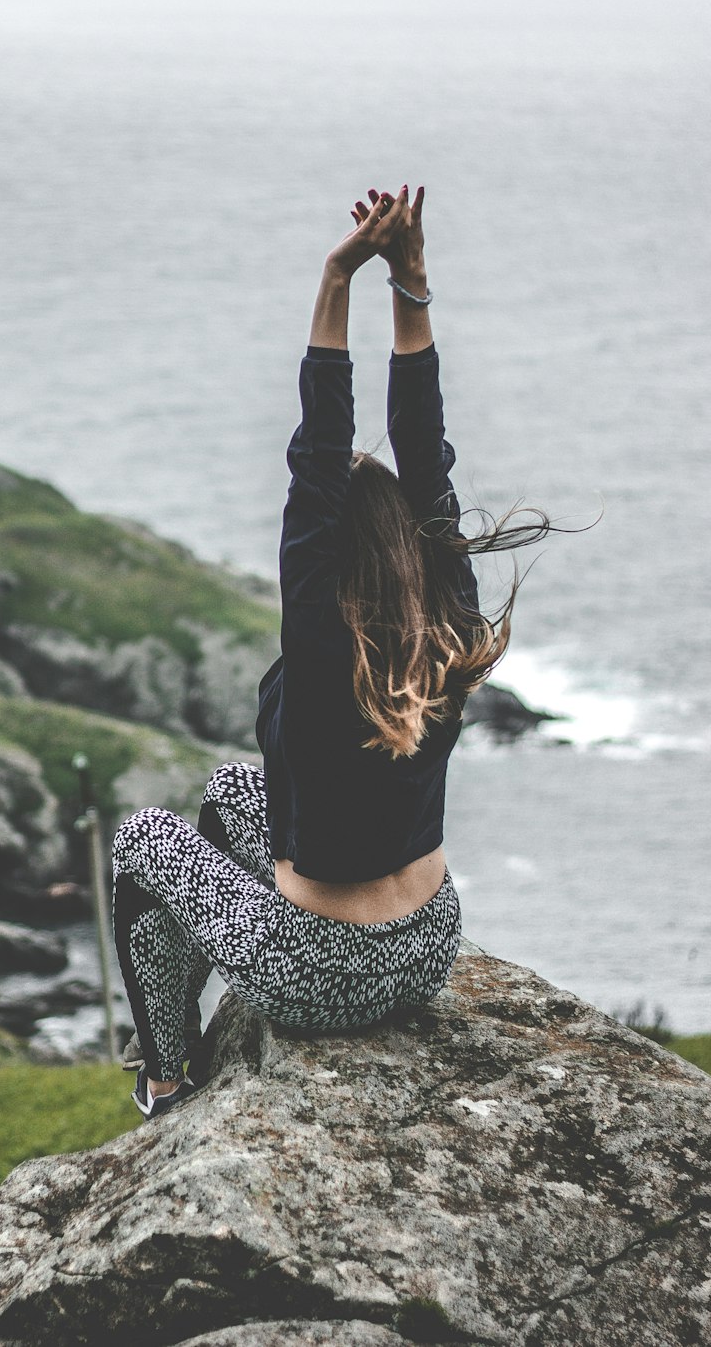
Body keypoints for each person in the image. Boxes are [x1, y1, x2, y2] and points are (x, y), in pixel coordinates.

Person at [112, 184, 547, 1120]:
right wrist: (412, 284)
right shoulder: (450, 628)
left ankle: (164, 1075)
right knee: (231, 794)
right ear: (409, 547)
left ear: (332, 556)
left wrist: (336, 278)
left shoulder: (320, 650)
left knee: (142, 841)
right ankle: (186, 1028)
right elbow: (429, 460)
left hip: (321, 974)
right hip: (427, 944)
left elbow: (318, 458)